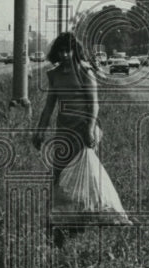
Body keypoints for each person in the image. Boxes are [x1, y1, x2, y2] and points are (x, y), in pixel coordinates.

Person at [32, 31, 99, 180]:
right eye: (61, 51)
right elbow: (49, 107)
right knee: (60, 174)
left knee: (84, 176)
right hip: (63, 130)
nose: (64, 55)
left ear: (74, 50)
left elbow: (94, 104)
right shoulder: (54, 74)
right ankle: (59, 202)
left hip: (83, 130)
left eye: (67, 51)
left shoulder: (85, 72)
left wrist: (90, 129)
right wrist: (40, 131)